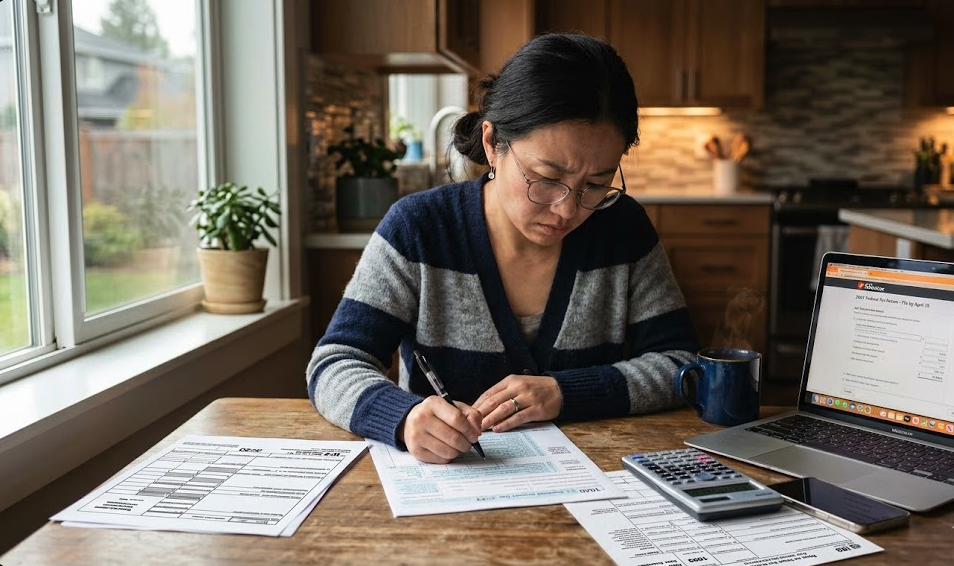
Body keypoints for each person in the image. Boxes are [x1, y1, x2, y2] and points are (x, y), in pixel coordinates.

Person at [307, 33, 699, 464]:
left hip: (590, 490)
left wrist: (566, 393)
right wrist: (404, 417)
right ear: (493, 144)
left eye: (596, 184)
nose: (567, 209)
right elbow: (334, 363)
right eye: (546, 178)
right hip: (447, 492)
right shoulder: (418, 229)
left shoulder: (623, 229)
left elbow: (681, 365)